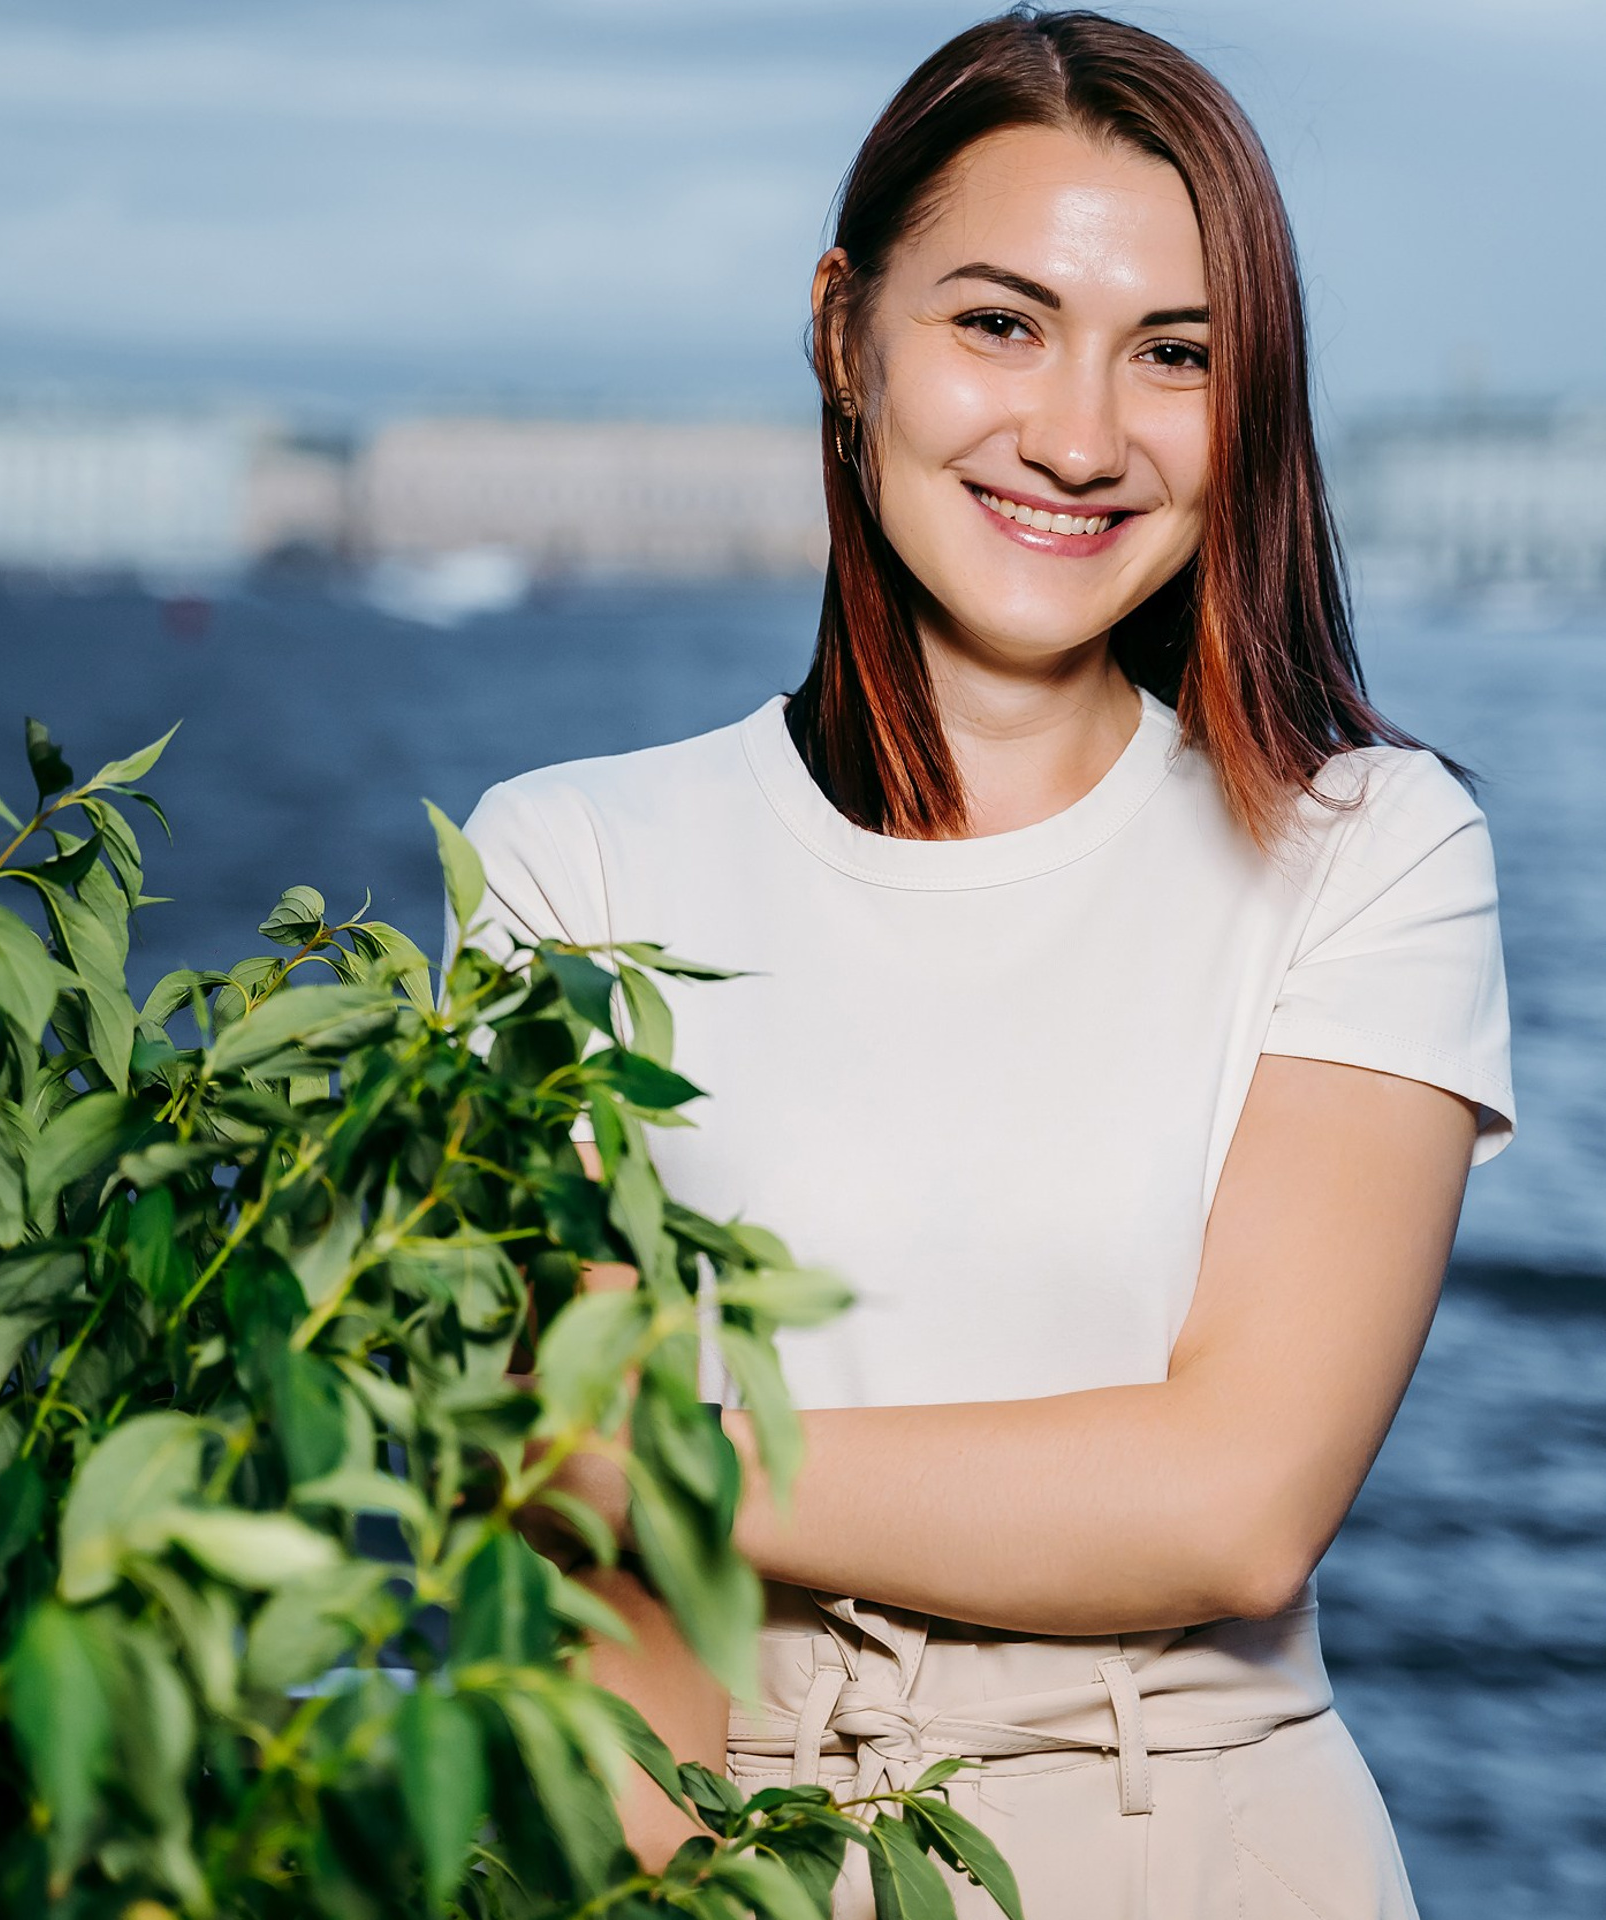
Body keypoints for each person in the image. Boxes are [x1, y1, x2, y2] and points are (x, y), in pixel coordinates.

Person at [457, 8, 1515, 1916]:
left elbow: (1237, 1503)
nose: (1080, 436)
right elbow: (594, 1589)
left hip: (1203, 1853)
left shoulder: (1371, 848)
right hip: (713, 1856)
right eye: (1001, 323)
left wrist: (642, 1456)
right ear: (841, 332)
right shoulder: (569, 861)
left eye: (1175, 353)